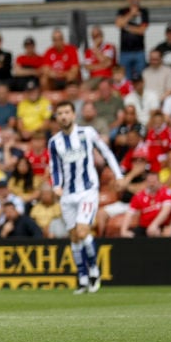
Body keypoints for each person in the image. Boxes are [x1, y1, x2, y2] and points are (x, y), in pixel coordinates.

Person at [48, 100, 125, 294]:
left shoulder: (87, 133)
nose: (63, 116)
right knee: (74, 237)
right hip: (67, 195)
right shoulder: (54, 142)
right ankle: (82, 278)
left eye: (67, 112)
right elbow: (55, 167)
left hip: (87, 191)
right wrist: (56, 186)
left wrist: (118, 174)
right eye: (60, 113)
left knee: (82, 232)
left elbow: (106, 152)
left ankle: (94, 272)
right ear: (56, 118)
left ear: (74, 115)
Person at [115, 0, 149, 81]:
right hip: (124, 51)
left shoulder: (143, 11)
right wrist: (131, 14)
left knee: (141, 78)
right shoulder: (122, 11)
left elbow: (141, 30)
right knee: (125, 79)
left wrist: (126, 27)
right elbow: (118, 24)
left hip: (139, 51)